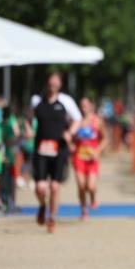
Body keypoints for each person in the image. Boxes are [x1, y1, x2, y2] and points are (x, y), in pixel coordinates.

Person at [32, 72, 82, 233]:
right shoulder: (37, 100)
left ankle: (52, 218)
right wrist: (28, 129)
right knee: (40, 187)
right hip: (41, 149)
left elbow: (78, 119)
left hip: (59, 148)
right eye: (50, 81)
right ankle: (42, 205)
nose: (53, 84)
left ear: (60, 84)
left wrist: (70, 133)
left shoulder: (66, 101)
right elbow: (28, 118)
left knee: (54, 187)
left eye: (56, 81)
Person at [72, 97, 107, 219]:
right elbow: (71, 138)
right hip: (79, 157)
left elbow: (105, 139)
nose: (83, 108)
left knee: (91, 186)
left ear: (91, 106)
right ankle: (83, 209)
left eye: (86, 105)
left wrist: (98, 151)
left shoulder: (97, 121)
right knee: (81, 185)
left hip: (92, 159)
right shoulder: (77, 121)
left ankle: (92, 196)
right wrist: (71, 145)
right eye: (81, 106)